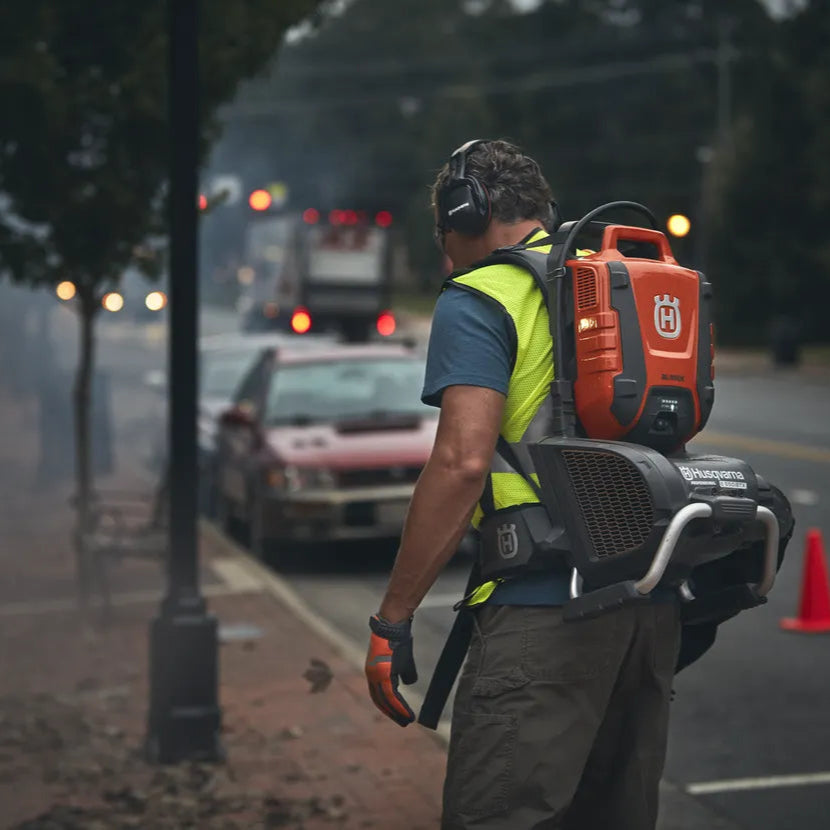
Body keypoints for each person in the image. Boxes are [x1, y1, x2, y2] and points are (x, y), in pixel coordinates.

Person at [364, 139, 681, 830]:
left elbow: (461, 464)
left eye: (444, 235)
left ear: (463, 214)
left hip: (544, 615)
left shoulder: (481, 296)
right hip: (647, 612)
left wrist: (393, 617)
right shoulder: (618, 285)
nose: (446, 253)